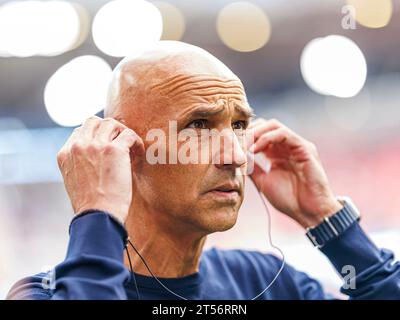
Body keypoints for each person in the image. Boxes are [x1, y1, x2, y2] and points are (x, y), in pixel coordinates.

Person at [7, 41, 400, 300]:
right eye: (199, 125)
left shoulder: (269, 283)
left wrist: (329, 220)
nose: (236, 156)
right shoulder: (43, 293)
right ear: (122, 148)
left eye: (240, 125)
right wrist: (97, 215)